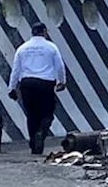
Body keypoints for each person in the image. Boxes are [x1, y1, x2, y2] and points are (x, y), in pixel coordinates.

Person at [9, 23, 67, 155]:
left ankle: (34, 144)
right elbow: (59, 66)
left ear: (32, 32)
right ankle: (41, 133)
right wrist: (62, 82)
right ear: (45, 32)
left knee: (31, 115)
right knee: (47, 114)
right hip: (45, 84)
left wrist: (12, 88)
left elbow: (16, 70)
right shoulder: (51, 47)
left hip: (27, 84)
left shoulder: (22, 48)